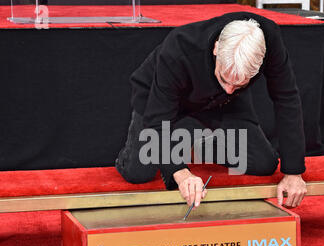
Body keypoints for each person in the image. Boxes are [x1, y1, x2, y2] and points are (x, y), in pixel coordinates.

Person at [116, 11, 307, 210]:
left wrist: (293, 172)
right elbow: (158, 120)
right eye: (224, 79)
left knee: (263, 163)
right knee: (139, 173)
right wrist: (181, 173)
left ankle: (193, 146)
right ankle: (137, 153)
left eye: (240, 84)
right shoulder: (179, 48)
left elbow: (287, 99)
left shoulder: (269, 41)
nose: (229, 88)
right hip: (159, 98)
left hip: (222, 103)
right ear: (216, 48)